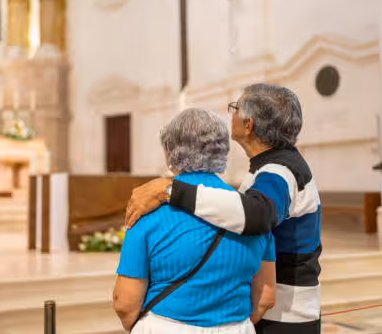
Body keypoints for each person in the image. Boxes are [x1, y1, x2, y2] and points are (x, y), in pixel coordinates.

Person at [125, 84, 322, 334]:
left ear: (248, 124)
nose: (231, 115)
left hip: (285, 316)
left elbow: (258, 214)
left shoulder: (278, 171)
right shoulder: (275, 166)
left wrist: (169, 191)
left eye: (235, 108)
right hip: (281, 310)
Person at [113, 108, 276, 333]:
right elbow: (265, 296)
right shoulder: (253, 213)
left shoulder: (147, 209)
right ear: (222, 152)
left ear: (169, 153)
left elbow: (125, 303)